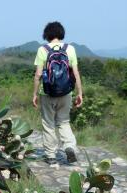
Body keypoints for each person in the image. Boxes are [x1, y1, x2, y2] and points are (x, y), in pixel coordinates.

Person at [32, 21, 83, 166]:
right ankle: (69, 146)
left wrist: (34, 94)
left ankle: (50, 155)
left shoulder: (43, 49)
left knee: (48, 123)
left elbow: (37, 75)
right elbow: (76, 72)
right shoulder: (70, 49)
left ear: (46, 34)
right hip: (66, 92)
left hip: (47, 92)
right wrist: (80, 93)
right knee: (64, 121)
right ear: (61, 33)